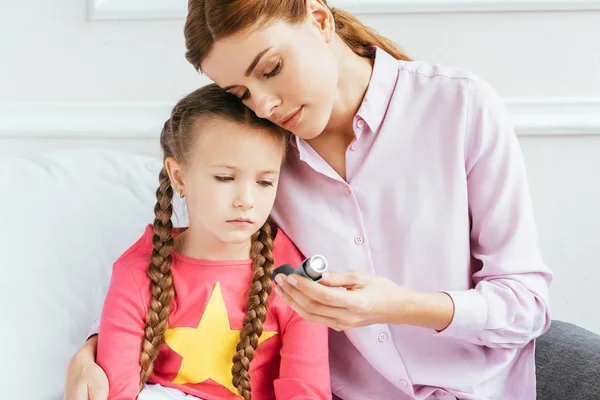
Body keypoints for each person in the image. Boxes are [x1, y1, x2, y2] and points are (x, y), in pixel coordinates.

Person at [65, 1, 556, 399]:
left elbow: (526, 305)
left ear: (319, 18)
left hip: (477, 387)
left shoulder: (460, 107)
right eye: (241, 94)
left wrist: (400, 306)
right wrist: (93, 348)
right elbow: (186, 260)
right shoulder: (259, 159)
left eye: (272, 69)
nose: (265, 106)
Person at [92, 84, 331, 400]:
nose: (245, 200)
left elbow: (306, 391)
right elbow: (116, 391)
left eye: (264, 181)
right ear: (179, 177)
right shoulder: (137, 272)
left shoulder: (297, 276)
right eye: (225, 178)